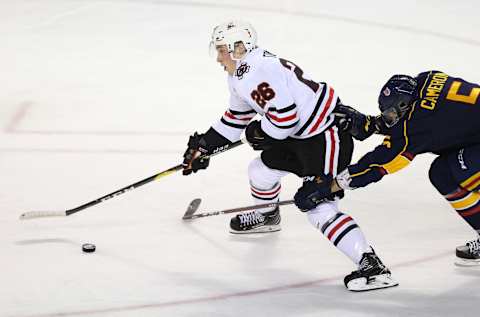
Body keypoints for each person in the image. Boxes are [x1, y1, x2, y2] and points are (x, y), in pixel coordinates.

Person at [181, 20, 398, 291]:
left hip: (324, 136)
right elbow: (238, 117)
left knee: (318, 204)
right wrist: (205, 145)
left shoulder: (255, 72)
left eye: (222, 50)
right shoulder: (242, 73)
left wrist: (259, 133)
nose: (218, 57)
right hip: (300, 136)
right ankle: (268, 216)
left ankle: (372, 266)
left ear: (239, 48)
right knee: (260, 171)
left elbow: (283, 120)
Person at [294, 71, 480, 267]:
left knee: (457, 171)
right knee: (443, 174)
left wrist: (330, 187)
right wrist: (372, 124)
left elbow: (379, 164)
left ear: (403, 105)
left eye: (392, 114)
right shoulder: (427, 78)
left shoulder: (418, 123)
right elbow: (435, 119)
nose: (390, 118)